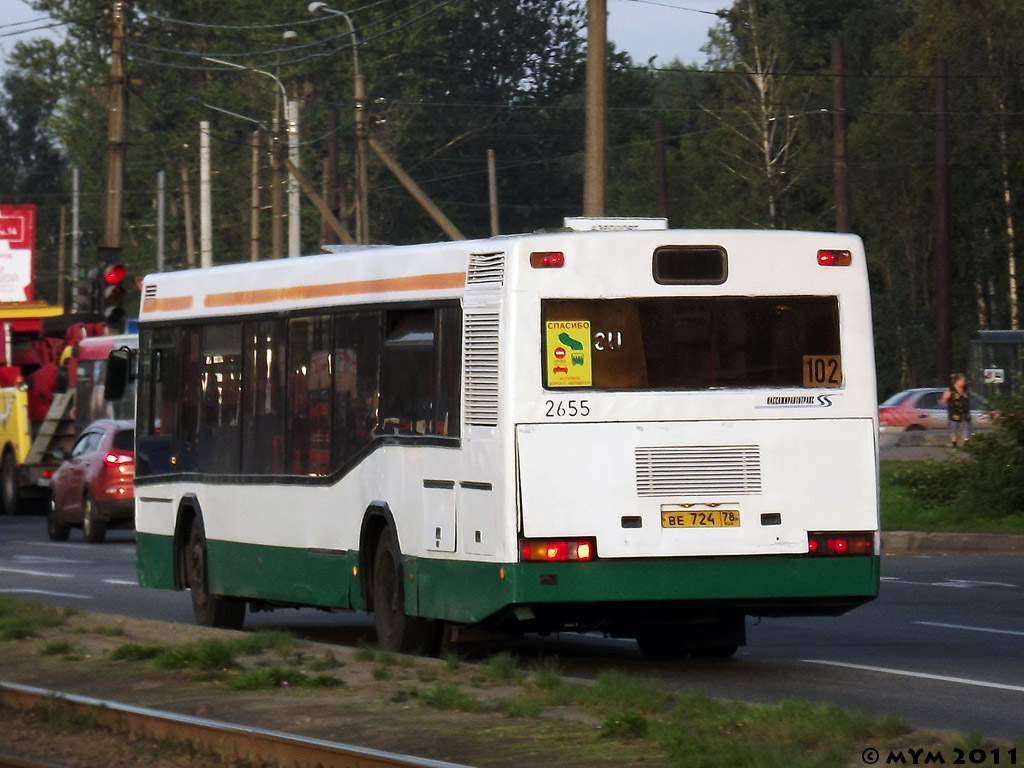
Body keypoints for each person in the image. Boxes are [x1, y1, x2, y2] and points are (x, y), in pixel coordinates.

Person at [941, 373, 973, 449]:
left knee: (966, 429)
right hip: (954, 414)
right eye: (963, 381)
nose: (964, 382)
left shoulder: (966, 391)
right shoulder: (949, 391)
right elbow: (944, 401)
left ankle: (966, 443)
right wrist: (951, 406)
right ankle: (954, 444)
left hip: (965, 414)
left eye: (964, 381)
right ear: (957, 381)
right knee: (954, 429)